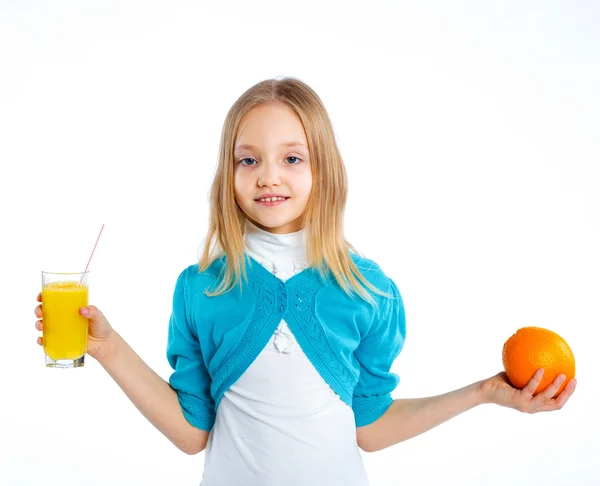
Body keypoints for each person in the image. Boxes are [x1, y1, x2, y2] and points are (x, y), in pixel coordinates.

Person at [34, 77, 577, 486]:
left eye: (292, 158)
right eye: (249, 160)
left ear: (325, 171)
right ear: (230, 176)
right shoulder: (202, 289)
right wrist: (105, 348)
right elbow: (190, 434)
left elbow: (371, 427)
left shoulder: (370, 290)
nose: (269, 174)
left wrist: (482, 393)